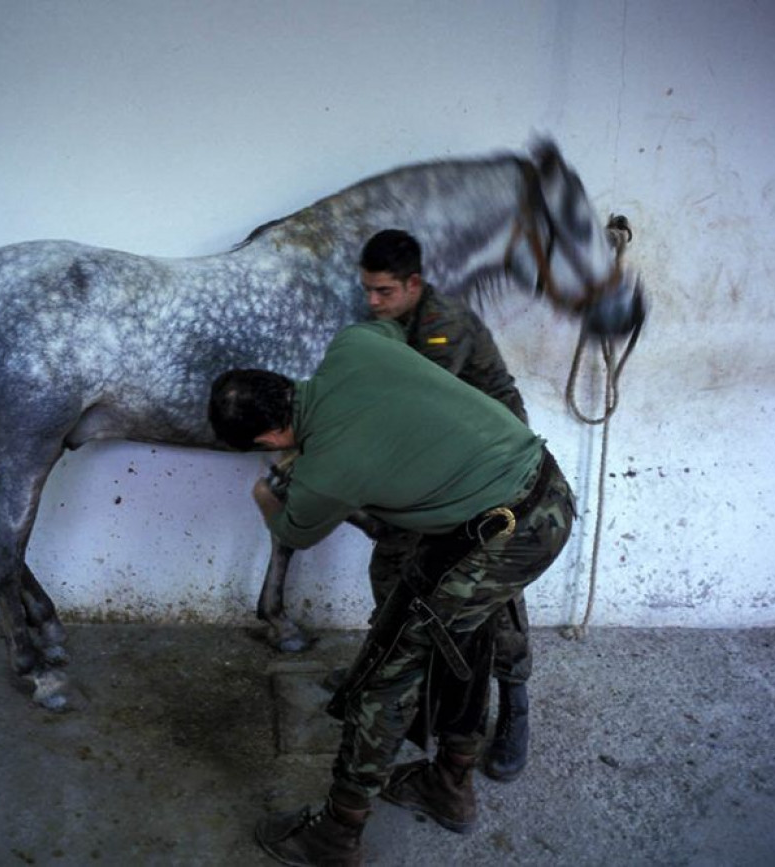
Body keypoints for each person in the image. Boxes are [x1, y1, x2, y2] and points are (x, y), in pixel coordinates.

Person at [209, 322, 574, 865]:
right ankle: (448, 786)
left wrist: (266, 491)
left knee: (385, 680)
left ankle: (336, 833)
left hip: (497, 535)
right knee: (462, 644)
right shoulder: (355, 343)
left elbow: (292, 532)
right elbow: (389, 329)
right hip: (547, 488)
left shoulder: (323, 473)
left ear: (267, 440)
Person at [358, 228, 534, 782]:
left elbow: (422, 412)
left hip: (494, 465)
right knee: (391, 566)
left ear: (414, 283)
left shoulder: (443, 327)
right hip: (440, 464)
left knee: (492, 597)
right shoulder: (391, 321)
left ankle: (514, 709)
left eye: (383, 291)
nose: (372, 302)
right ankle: (385, 678)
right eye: (367, 290)